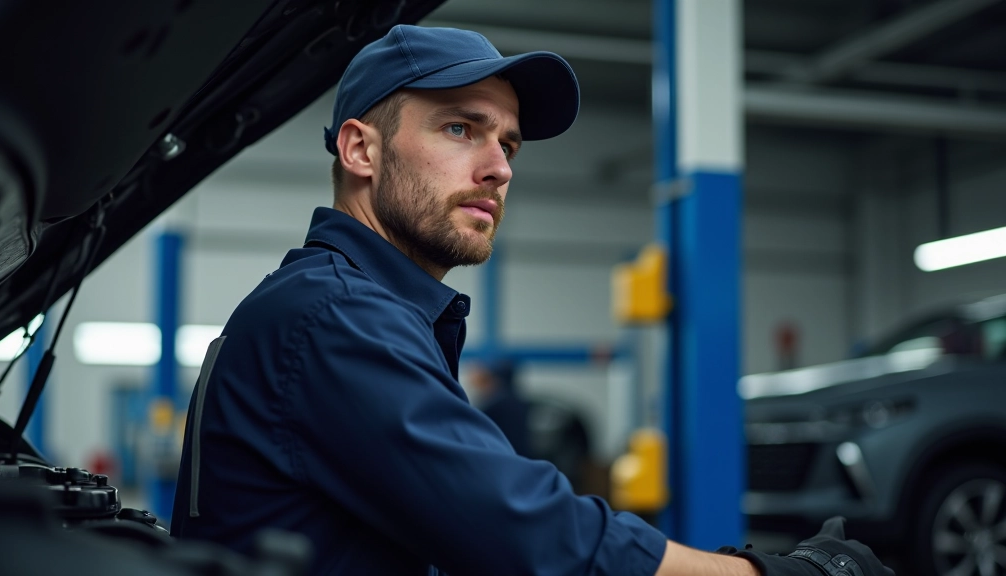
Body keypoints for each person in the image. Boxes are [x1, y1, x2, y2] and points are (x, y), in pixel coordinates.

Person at [170, 24, 895, 576]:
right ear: (362, 150)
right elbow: (528, 533)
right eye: (461, 128)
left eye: (510, 146)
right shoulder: (335, 315)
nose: (499, 169)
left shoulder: (336, 303)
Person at [470, 358, 531, 458]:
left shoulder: (496, 405)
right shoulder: (518, 401)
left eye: (487, 380)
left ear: (497, 380)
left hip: (504, 457)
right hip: (519, 456)